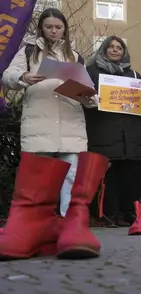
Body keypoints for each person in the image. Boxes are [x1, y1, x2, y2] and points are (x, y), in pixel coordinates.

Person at [2, 8, 93, 217]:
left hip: (71, 126)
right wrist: (23, 77)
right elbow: (8, 76)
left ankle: (68, 225)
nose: (54, 31)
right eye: (49, 27)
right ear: (41, 28)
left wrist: (89, 98)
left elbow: (89, 89)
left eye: (58, 27)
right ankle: (35, 225)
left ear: (64, 29)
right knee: (39, 180)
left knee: (70, 177)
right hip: (39, 126)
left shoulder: (75, 56)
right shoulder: (29, 51)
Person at [84, 36, 141, 227]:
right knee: (109, 178)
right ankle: (109, 215)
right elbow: (84, 100)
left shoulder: (134, 75)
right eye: (111, 47)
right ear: (104, 50)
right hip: (104, 133)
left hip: (131, 136)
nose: (115, 50)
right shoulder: (91, 73)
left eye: (119, 48)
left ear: (124, 52)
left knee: (131, 177)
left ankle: (129, 214)